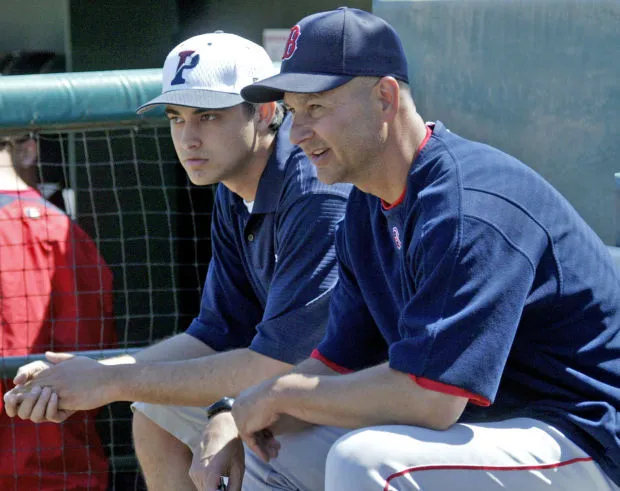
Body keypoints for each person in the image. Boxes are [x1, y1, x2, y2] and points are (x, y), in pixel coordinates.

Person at [209, 7, 619, 491]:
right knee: (268, 451)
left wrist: (279, 393)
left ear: (384, 97)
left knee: (366, 461)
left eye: (315, 107)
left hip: (583, 437)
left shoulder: (468, 204)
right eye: (293, 111)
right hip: (492, 432)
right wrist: (238, 413)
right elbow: (337, 363)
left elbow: (431, 398)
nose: (297, 134)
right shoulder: (365, 209)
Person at [4, 32, 351, 491]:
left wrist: (114, 383)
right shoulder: (234, 188)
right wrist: (90, 374)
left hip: (377, 409)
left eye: (208, 116)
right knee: (156, 413)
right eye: (176, 117)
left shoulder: (313, 190)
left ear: (264, 111)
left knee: (239, 433)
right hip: (303, 397)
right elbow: (214, 334)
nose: (189, 138)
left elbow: (278, 365)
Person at [0, 133, 117, 489]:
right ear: (29, 148)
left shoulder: (60, 232)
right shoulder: (63, 233)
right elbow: (91, 356)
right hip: (58, 467)